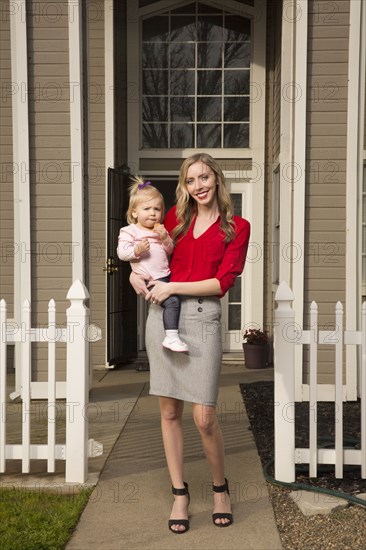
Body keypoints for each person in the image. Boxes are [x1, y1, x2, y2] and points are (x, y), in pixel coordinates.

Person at [129, 153, 250, 533]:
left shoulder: (237, 228)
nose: (198, 186)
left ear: (216, 178)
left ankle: (220, 489)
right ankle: (179, 494)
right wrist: (135, 276)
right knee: (168, 412)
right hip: (163, 318)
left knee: (204, 416)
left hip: (204, 320)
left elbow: (221, 283)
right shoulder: (173, 222)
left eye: (204, 177)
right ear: (185, 186)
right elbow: (147, 257)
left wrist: (172, 287)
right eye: (190, 180)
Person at [117, 177, 188, 352]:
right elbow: (122, 253)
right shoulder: (130, 231)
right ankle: (171, 337)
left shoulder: (159, 230)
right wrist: (137, 250)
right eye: (147, 208)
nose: (153, 213)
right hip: (148, 279)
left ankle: (172, 335)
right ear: (134, 213)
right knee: (172, 302)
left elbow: (170, 251)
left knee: (175, 299)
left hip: (164, 276)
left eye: (157, 209)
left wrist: (165, 238)